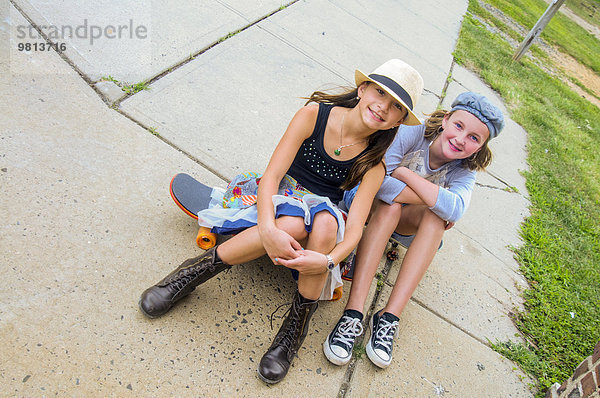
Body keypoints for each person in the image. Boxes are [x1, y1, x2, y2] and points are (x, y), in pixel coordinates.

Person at [138, 59, 424, 383]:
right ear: (362, 89)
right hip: (278, 198)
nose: (383, 107)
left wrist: (328, 260)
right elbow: (273, 175)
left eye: (396, 107)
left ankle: (293, 330)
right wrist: (267, 228)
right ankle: (190, 274)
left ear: (399, 120)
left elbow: (356, 227)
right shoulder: (315, 116)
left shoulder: (374, 164)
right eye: (379, 93)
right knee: (291, 224)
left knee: (327, 223)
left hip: (322, 216)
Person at [323, 92, 505, 369]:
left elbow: (455, 210)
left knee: (436, 220)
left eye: (473, 138)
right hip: (364, 202)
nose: (461, 139)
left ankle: (388, 317)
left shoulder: (464, 171)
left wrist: (405, 174)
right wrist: (435, 196)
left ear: (479, 148)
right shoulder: (412, 132)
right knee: (395, 206)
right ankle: (354, 311)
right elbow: (379, 182)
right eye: (459, 126)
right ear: (445, 120)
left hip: (403, 220)